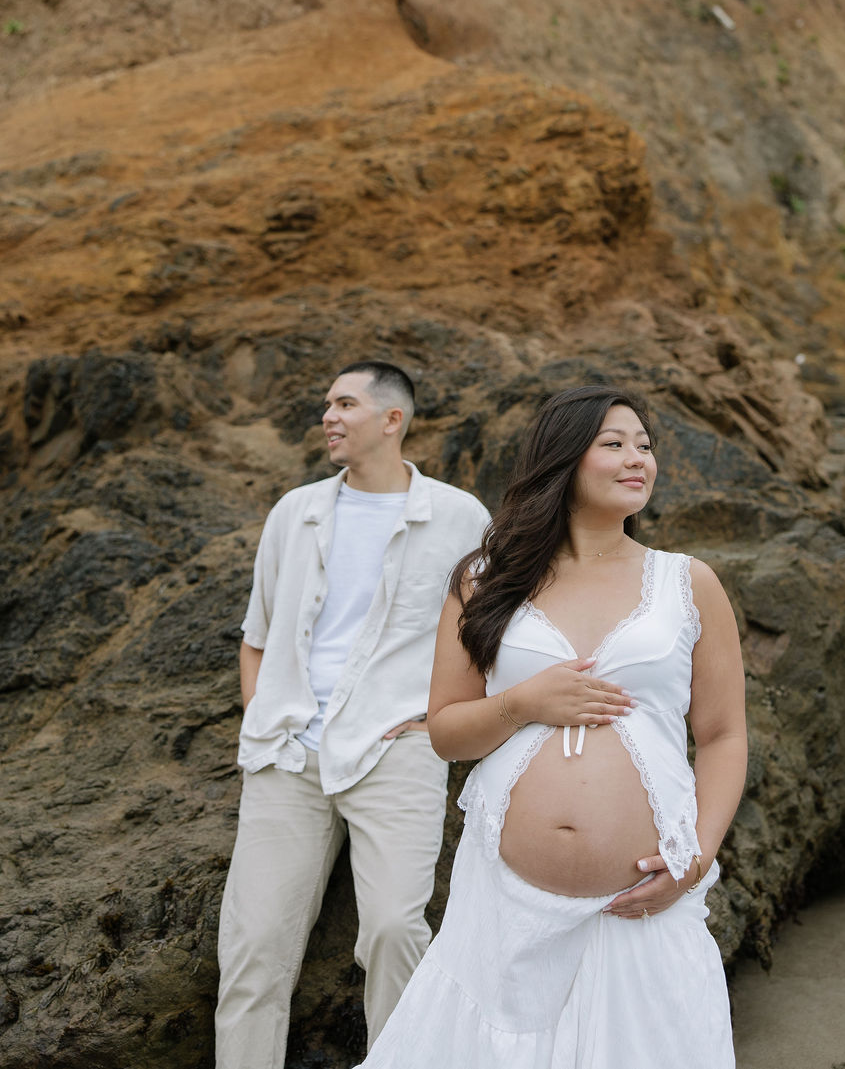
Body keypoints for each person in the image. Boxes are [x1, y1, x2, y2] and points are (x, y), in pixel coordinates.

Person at [357, 384, 748, 1069]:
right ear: (564, 460)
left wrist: (698, 857)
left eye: (646, 446)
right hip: (501, 908)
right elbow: (447, 732)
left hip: (642, 902)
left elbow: (722, 734)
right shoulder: (484, 580)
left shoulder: (689, 584)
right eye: (615, 444)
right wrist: (524, 702)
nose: (639, 460)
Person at [215, 360, 491, 1069]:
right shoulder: (294, 511)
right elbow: (256, 636)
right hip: (288, 755)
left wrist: (442, 722)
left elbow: (488, 639)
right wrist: (262, 725)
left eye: (344, 403)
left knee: (397, 929)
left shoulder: (461, 518)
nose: (328, 416)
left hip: (398, 749)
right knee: (253, 951)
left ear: (391, 419)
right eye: (326, 403)